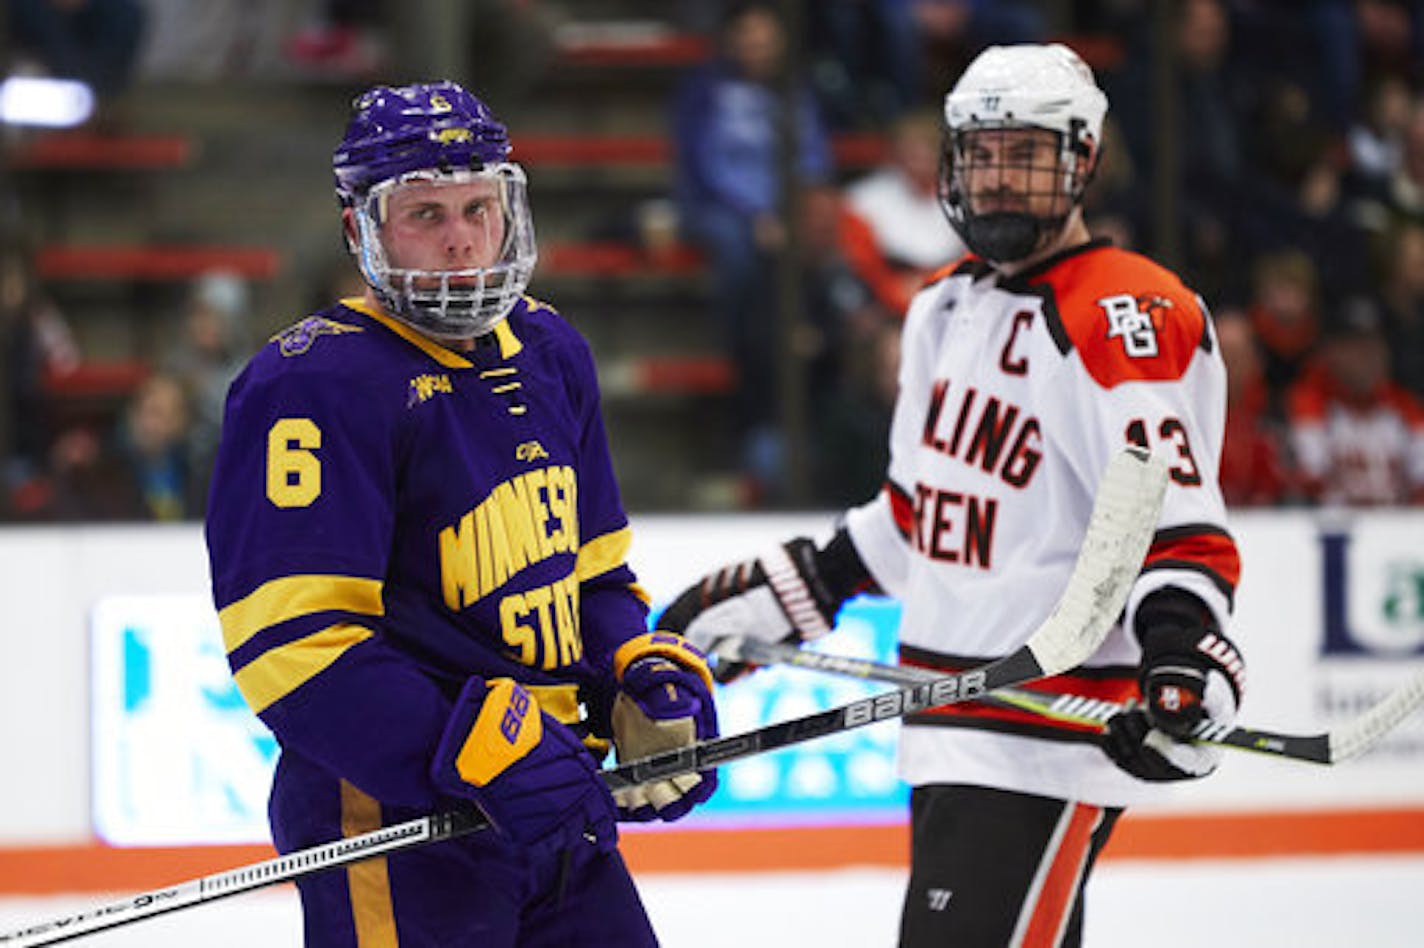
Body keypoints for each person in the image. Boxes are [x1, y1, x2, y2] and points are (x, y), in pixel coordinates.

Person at [660, 45, 1247, 946]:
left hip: (1048, 732)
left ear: (1082, 159)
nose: (999, 179)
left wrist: (1180, 654)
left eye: (1027, 154)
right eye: (982, 153)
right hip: (944, 719)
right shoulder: (941, 307)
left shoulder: (1125, 314)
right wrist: (798, 589)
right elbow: (912, 518)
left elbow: (1174, 533)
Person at [204, 81, 719, 946]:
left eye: (479, 207)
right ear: (360, 230)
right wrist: (478, 751)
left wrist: (634, 668)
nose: (461, 240)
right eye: (425, 214)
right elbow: (294, 650)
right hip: (399, 823)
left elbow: (590, 572)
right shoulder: (311, 384)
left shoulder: (552, 349)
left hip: (553, 801)